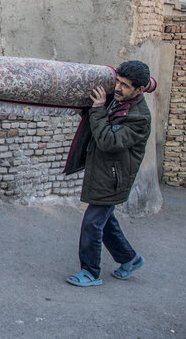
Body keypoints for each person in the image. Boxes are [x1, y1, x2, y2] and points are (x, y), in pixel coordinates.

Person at [66, 60, 151, 287]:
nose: (118, 88)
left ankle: (90, 272)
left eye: (125, 85)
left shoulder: (139, 118)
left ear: (140, 90)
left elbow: (108, 141)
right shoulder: (117, 100)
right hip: (104, 173)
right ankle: (130, 259)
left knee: (92, 223)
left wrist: (98, 110)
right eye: (118, 82)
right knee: (106, 222)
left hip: (113, 179)